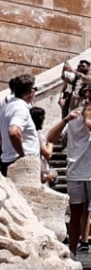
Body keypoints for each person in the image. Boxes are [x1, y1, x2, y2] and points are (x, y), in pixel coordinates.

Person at [47, 87, 91, 254]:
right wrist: (65, 119)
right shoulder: (74, 117)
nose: (86, 101)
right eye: (84, 98)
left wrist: (87, 121)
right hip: (75, 172)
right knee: (75, 214)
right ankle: (73, 254)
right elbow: (51, 137)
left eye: (90, 97)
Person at [0, 74, 40, 176]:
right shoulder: (21, 108)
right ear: (31, 92)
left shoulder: (7, 107)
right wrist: (22, 156)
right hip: (21, 165)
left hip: (7, 159)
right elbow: (13, 132)